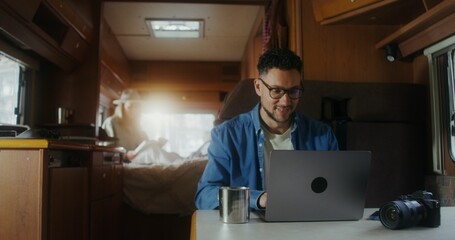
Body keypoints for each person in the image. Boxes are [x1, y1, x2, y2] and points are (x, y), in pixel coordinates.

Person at [194, 48, 339, 210]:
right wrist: (259, 199)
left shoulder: (323, 135)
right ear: (258, 87)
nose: (285, 101)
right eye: (276, 90)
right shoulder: (227, 135)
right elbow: (205, 195)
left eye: (293, 91)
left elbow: (336, 192)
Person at [102, 89, 148, 161]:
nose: (133, 110)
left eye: (136, 107)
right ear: (122, 107)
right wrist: (125, 155)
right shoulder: (111, 123)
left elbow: (144, 145)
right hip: (118, 167)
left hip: (135, 166)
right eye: (130, 107)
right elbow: (106, 151)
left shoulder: (137, 127)